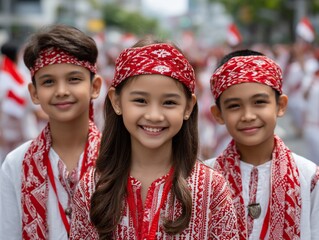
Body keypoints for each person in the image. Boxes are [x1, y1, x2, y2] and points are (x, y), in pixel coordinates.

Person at [69, 37, 239, 240]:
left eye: (169, 102)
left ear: (188, 107)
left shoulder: (212, 188)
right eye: (140, 100)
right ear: (116, 101)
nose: (154, 115)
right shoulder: (92, 188)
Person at [0, 24, 102, 239]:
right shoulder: (15, 163)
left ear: (95, 87)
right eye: (48, 82)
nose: (62, 91)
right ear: (34, 93)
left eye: (74, 79)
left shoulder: (119, 157)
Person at [205, 49, 319, 239]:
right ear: (218, 114)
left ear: (280, 106)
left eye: (259, 102)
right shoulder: (204, 179)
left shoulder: (309, 177)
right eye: (234, 106)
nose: (248, 116)